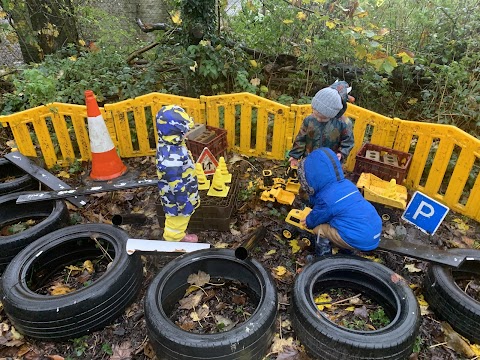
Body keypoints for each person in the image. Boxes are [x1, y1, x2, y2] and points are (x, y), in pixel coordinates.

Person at [297, 147, 382, 256]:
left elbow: (316, 217)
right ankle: (345, 249)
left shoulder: (326, 200)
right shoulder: (347, 184)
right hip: (374, 230)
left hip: (359, 238)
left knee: (319, 229)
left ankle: (324, 256)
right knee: (340, 218)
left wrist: (308, 221)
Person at [155, 105, 200, 242]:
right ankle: (175, 241)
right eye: (185, 130)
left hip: (185, 188)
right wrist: (184, 204)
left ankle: (178, 234)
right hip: (177, 200)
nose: (188, 132)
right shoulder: (170, 159)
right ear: (176, 132)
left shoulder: (170, 144)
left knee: (179, 221)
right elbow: (176, 186)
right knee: (176, 222)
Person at [288, 81, 354, 167]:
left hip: (330, 162)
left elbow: (348, 141)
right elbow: (301, 139)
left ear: (334, 113)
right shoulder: (309, 120)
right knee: (307, 176)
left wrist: (341, 153)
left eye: (324, 117)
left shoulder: (343, 123)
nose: (319, 119)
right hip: (309, 158)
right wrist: (294, 156)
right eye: (316, 114)